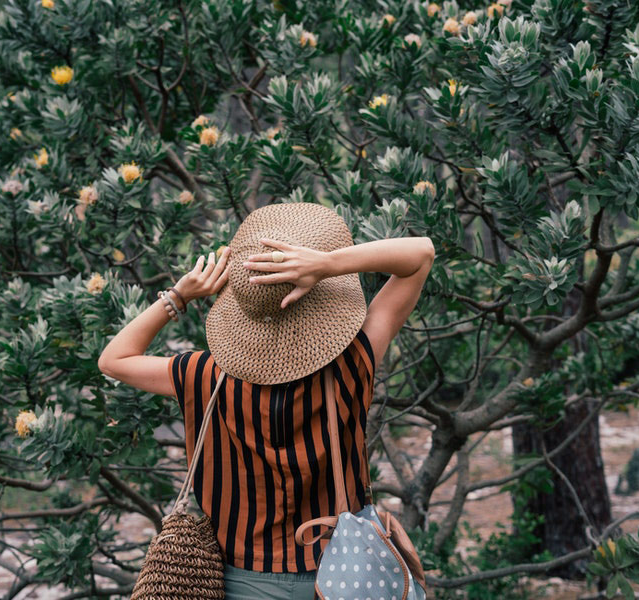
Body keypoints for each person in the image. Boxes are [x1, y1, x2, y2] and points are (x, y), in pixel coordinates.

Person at [98, 202, 434, 600]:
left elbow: (113, 359)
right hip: (343, 577)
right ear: (321, 300)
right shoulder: (353, 363)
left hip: (241, 583)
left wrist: (178, 295)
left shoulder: (203, 376)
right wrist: (327, 264)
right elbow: (421, 254)